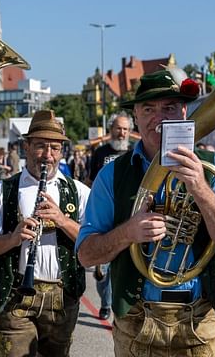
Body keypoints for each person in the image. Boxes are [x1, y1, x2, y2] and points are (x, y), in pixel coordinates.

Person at [75, 70, 215, 356]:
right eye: (148, 109)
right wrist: (128, 232)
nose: (159, 117)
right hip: (136, 322)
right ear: (135, 115)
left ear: (184, 111)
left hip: (202, 321)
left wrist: (201, 189)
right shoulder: (112, 175)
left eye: (169, 107)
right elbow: (86, 255)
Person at [0, 109, 91, 357]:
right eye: (40, 146)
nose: (47, 155)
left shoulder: (80, 191)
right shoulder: (3, 190)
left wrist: (61, 220)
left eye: (54, 148)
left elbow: (94, 244)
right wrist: (13, 238)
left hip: (63, 297)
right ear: (26, 146)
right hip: (16, 295)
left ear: (62, 151)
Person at [86, 112, 134, 320]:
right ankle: (105, 301)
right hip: (105, 216)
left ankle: (117, 306)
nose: (121, 132)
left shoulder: (134, 152)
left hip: (129, 216)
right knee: (102, 268)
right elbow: (90, 180)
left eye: (125, 129)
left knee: (124, 266)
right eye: (118, 128)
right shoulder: (100, 153)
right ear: (110, 130)